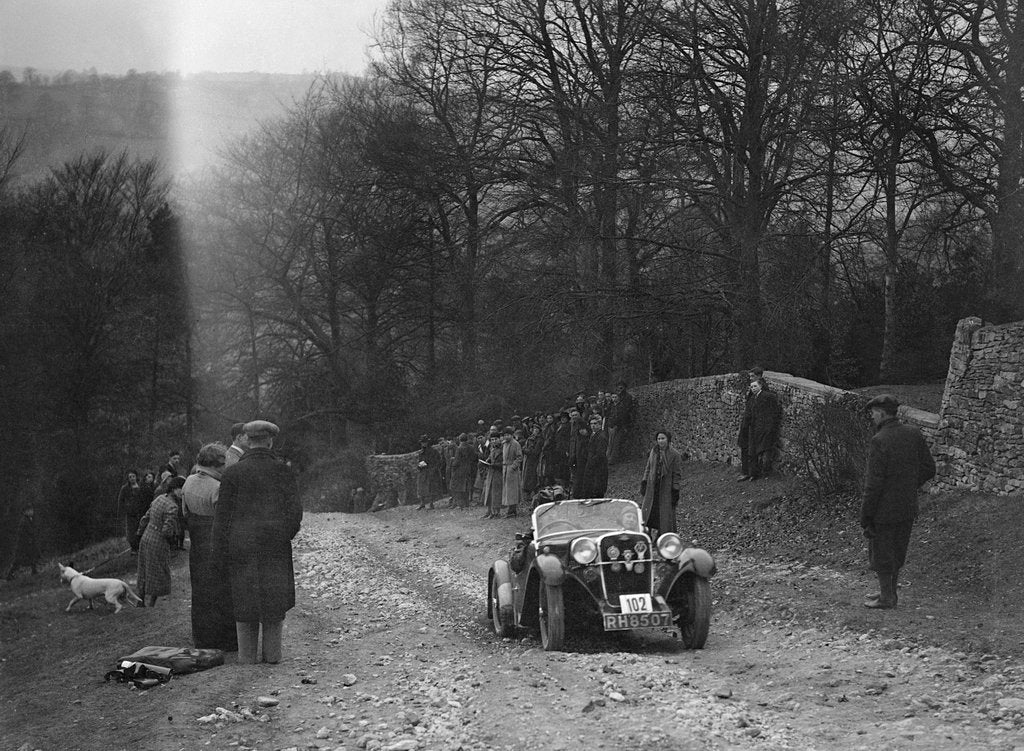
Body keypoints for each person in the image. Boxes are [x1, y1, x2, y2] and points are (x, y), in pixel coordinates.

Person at [214, 420, 303, 664]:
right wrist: (284, 535)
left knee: (244, 601)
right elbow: (295, 513)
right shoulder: (282, 470)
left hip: (240, 547)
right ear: (270, 441)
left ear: (248, 441)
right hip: (275, 547)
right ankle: (273, 656)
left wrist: (221, 550)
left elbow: (222, 519)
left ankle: (247, 659)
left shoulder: (232, 473)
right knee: (274, 602)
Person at [860, 394, 936, 610]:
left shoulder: (879, 440)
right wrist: (909, 484)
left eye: (873, 413)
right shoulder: (913, 434)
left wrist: (866, 515)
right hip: (907, 505)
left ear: (882, 414)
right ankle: (889, 591)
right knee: (897, 549)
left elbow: (873, 485)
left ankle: (887, 598)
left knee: (882, 552)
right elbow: (929, 468)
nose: (872, 417)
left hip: (883, 509)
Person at [182, 443, 236, 651]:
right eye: (222, 465)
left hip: (197, 546)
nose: (225, 469)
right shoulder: (217, 487)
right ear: (213, 465)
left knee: (201, 592)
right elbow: (225, 519)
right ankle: (224, 641)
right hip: (214, 543)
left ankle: (202, 639)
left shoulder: (188, 482)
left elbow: (185, 515)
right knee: (221, 592)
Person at [136, 475, 185, 607]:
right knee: (158, 571)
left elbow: (146, 517)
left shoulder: (159, 498)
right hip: (158, 541)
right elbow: (166, 531)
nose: (183, 492)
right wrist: (172, 541)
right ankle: (151, 603)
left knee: (144, 569)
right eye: (182, 489)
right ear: (174, 489)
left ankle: (140, 601)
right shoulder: (173, 507)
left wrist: (140, 532)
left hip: (147, 536)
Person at [639, 430, 684, 538]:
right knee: (648, 513)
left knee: (664, 514)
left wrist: (675, 489)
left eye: (663, 438)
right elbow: (648, 467)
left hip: (665, 489)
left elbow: (676, 474)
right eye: (659, 439)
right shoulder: (654, 452)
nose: (660, 441)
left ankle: (662, 536)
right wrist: (644, 481)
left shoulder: (675, 455)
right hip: (652, 488)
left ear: (668, 440)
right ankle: (646, 535)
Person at [745, 376, 782, 480]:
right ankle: (754, 473)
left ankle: (766, 472)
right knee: (753, 452)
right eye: (751, 387)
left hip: (766, 428)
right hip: (754, 429)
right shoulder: (752, 399)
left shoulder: (768, 396)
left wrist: (770, 426)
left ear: (760, 386)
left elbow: (775, 411)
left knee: (765, 450)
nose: (753, 388)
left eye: (755, 386)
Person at [736, 366, 763, 480]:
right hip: (747, 423)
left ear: (759, 376)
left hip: (753, 424)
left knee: (752, 449)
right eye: (750, 376)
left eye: (752, 376)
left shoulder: (761, 389)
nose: (750, 378)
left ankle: (752, 473)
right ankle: (746, 471)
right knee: (745, 447)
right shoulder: (753, 388)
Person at [3, 507, 40, 579]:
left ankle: (34, 571)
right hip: (23, 545)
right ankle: (9, 575)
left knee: (32, 556)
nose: (32, 512)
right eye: (30, 511)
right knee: (18, 560)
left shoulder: (28, 519)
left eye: (32, 510)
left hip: (27, 543)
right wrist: (29, 538)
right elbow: (25, 532)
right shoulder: (24, 521)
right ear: (25, 512)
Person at [579, 414, 609, 497]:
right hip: (592, 465)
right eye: (591, 424)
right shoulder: (594, 435)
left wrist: (591, 462)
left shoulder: (601, 436)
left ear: (600, 425)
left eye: (595, 424)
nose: (593, 426)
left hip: (598, 466)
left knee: (597, 489)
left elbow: (600, 453)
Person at [116, 470, 145, 553]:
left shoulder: (140, 486)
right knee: (131, 531)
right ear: (128, 479)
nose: (132, 478)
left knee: (141, 527)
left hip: (140, 511)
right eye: (130, 477)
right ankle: (133, 547)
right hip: (130, 513)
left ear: (136, 477)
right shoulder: (125, 488)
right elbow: (121, 500)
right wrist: (124, 509)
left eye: (133, 476)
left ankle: (140, 546)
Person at [607, 381, 635, 464]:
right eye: (619, 387)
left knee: (616, 442)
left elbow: (625, 412)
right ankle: (609, 457)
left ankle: (613, 459)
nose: (620, 388)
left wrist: (620, 424)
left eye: (621, 386)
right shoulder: (613, 403)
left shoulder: (627, 397)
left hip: (622, 423)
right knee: (611, 442)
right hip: (613, 424)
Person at [415, 435, 444, 510]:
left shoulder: (433, 451)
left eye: (424, 442)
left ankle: (431, 503)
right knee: (421, 487)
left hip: (431, 471)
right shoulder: (421, 452)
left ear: (428, 443)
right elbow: (419, 461)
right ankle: (422, 503)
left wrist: (433, 469)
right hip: (423, 471)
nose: (423, 444)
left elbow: (438, 461)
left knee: (431, 488)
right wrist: (419, 465)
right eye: (422, 443)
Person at [481, 429, 504, 519]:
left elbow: (503, 462)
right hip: (491, 472)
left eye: (495, 439)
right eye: (492, 440)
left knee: (496, 493)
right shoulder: (492, 449)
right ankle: (489, 511)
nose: (493, 441)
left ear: (499, 439)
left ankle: (496, 512)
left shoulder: (502, 449)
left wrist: (494, 464)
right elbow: (490, 458)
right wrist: (486, 461)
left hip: (498, 473)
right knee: (489, 492)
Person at [501, 427, 524, 518]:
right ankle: (510, 509)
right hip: (505, 468)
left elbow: (519, 457)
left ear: (512, 435)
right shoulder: (504, 444)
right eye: (505, 435)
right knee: (507, 490)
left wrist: (513, 467)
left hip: (512, 470)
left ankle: (512, 510)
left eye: (508, 435)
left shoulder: (515, 444)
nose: (506, 437)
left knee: (512, 490)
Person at [449, 433, 476, 509]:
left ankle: (461, 504)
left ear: (460, 440)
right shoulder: (471, 447)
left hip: (460, 470)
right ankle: (467, 503)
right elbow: (474, 457)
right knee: (466, 486)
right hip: (468, 468)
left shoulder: (459, 448)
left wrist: (453, 465)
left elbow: (457, 461)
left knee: (459, 487)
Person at [522, 424, 543, 499]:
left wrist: (525, 450)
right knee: (527, 476)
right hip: (528, 460)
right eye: (534, 429)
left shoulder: (539, 440)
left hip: (534, 460)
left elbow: (535, 451)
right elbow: (525, 446)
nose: (535, 431)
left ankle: (533, 494)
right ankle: (528, 494)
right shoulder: (530, 438)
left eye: (537, 429)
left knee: (533, 476)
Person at [570, 422, 591, 498]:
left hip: (587, 462)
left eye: (583, 429)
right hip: (579, 463)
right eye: (580, 430)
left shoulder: (590, 439)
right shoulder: (578, 439)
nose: (582, 431)